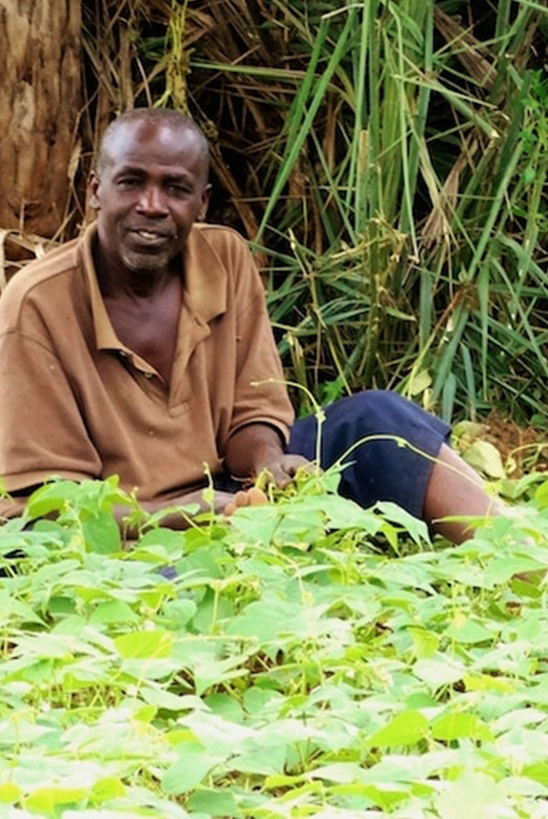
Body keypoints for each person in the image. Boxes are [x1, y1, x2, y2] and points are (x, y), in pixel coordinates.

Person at [0, 107, 497, 542]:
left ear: (202, 203)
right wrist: (194, 513)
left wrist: (267, 464)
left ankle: (531, 563)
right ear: (95, 192)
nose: (151, 206)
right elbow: (52, 507)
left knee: (378, 421)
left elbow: (252, 410)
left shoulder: (225, 259)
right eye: (131, 182)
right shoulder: (36, 305)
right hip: (128, 531)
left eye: (175, 189)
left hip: (230, 498)